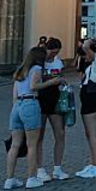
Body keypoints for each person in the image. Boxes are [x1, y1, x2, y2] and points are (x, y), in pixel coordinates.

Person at [4, 47, 62, 190]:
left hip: (17, 106)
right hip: (30, 103)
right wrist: (52, 82)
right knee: (32, 145)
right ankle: (32, 178)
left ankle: (9, 179)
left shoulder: (20, 70)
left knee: (15, 145)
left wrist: (16, 108)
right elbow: (33, 86)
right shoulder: (36, 68)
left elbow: (14, 94)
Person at [35, 38, 70, 183]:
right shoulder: (39, 63)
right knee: (39, 136)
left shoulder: (58, 62)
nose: (53, 55)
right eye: (51, 52)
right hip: (40, 100)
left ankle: (57, 168)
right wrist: (50, 80)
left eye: (56, 53)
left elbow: (61, 76)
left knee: (60, 134)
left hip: (55, 100)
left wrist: (62, 81)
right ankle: (39, 169)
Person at [76, 38, 96, 179]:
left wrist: (87, 41)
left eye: (86, 54)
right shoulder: (91, 65)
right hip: (88, 99)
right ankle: (92, 163)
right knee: (89, 134)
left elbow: (87, 47)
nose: (85, 57)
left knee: (92, 134)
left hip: (92, 100)